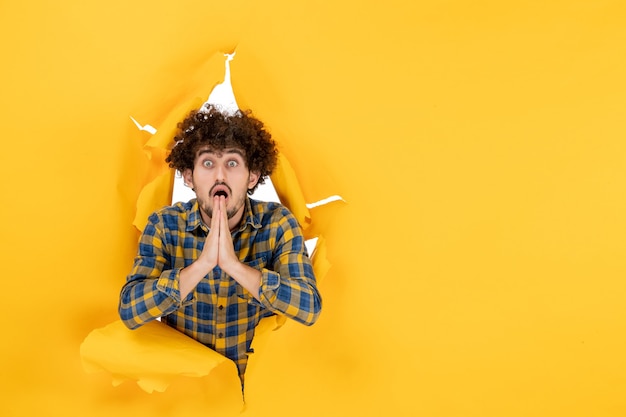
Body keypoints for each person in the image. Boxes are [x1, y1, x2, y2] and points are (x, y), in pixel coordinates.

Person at [118, 104, 322, 387]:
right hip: (188, 396)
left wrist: (234, 266)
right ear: (189, 176)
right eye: (208, 163)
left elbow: (309, 307)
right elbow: (130, 311)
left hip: (257, 393)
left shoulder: (277, 223)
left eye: (232, 163)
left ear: (252, 177)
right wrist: (201, 266)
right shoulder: (165, 226)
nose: (220, 176)